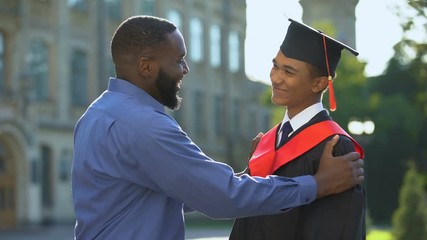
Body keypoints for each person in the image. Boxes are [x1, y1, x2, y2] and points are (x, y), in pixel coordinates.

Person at [71, 15, 364, 240]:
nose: (185, 69)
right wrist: (317, 184)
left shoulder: (96, 114)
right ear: (146, 67)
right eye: (179, 61)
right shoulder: (145, 126)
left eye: (289, 70)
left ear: (319, 83)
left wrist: (246, 177)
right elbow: (223, 197)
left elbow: (174, 193)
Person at [229, 18, 366, 240]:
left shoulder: (335, 148)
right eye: (275, 65)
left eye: (289, 72)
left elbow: (337, 231)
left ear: (319, 83)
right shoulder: (268, 141)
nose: (276, 78)